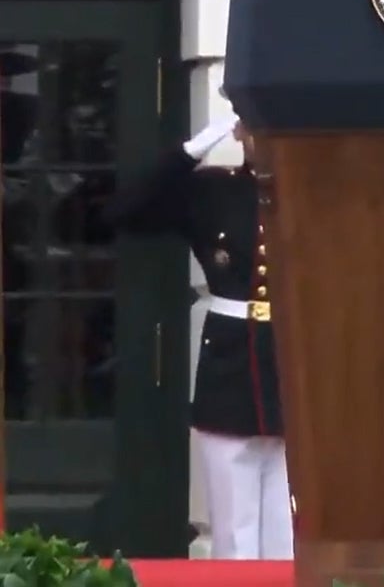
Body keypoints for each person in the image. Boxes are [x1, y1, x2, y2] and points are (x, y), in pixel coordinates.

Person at [105, 111, 290, 559]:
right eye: (251, 126)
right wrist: (191, 151)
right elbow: (126, 210)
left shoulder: (310, 193)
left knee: (288, 531)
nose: (259, 138)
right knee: (233, 526)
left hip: (292, 364)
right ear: (239, 130)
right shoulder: (212, 189)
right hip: (229, 366)